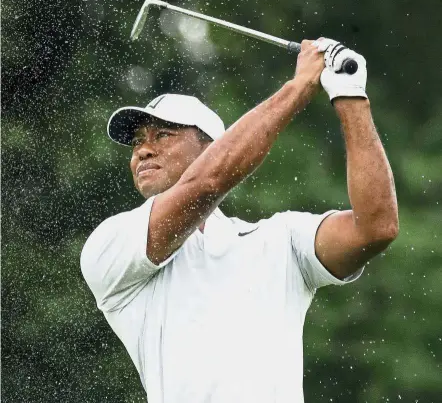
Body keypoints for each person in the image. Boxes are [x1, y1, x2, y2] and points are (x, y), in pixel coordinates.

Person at [81, 38, 398, 403]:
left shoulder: (280, 240)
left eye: (163, 134)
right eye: (137, 141)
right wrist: (298, 87)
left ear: (210, 148)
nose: (143, 150)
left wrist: (349, 94)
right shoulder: (112, 244)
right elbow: (206, 184)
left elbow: (375, 228)